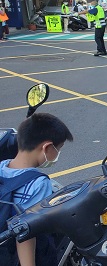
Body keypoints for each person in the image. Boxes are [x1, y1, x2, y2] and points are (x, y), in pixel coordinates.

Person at [0, 113, 73, 266]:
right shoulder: (38, 183)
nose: (58, 154)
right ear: (46, 147)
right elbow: (26, 233)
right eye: (58, 149)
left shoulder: (2, 165)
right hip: (20, 255)